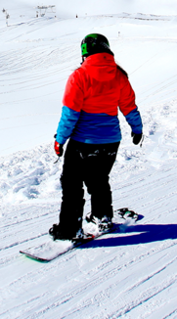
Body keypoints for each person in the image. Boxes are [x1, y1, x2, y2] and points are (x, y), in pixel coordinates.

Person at [49, 34, 144, 241]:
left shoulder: (79, 76)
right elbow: (129, 106)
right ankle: (102, 217)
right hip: (110, 141)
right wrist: (137, 129)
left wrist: (60, 140)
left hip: (83, 142)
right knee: (99, 180)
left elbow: (70, 114)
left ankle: (69, 229)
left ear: (84, 52)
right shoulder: (119, 75)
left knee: (72, 184)